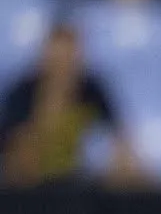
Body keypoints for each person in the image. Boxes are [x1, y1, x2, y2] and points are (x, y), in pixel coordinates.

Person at [0, 22, 145, 189]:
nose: (63, 65)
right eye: (58, 58)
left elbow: (120, 138)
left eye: (69, 57)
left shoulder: (92, 90)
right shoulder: (22, 93)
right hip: (29, 185)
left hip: (80, 180)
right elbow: (12, 147)